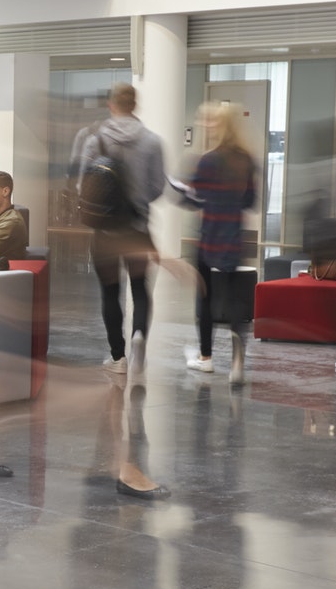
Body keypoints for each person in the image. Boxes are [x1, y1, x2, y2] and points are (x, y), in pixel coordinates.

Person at [79, 84, 166, 374]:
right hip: (137, 227)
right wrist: (137, 201)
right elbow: (157, 188)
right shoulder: (153, 142)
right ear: (135, 104)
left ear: (111, 105)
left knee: (110, 292)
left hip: (105, 232)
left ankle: (118, 357)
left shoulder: (95, 141)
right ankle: (138, 334)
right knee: (140, 289)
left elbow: (84, 185)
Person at [181, 101, 259, 384]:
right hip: (234, 238)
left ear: (221, 125)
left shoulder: (208, 160)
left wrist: (186, 188)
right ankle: (237, 363)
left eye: (210, 121)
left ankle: (206, 358)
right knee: (235, 302)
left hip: (209, 238)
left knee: (205, 297)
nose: (206, 125)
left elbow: (190, 199)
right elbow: (251, 201)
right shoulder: (246, 159)